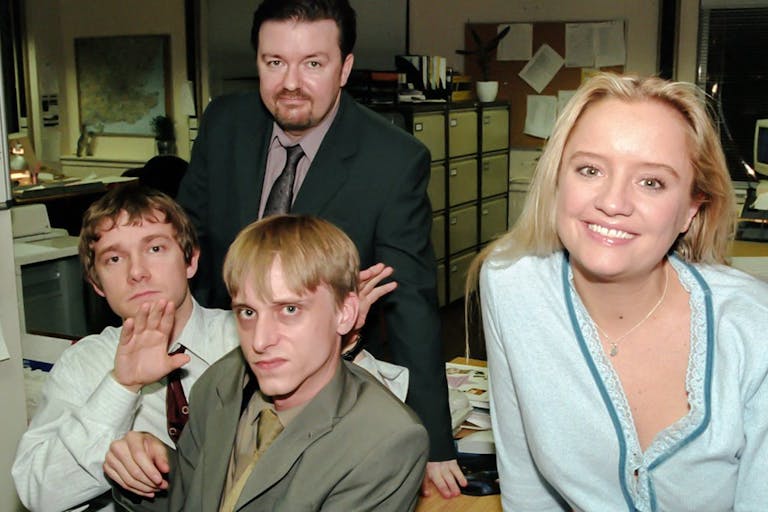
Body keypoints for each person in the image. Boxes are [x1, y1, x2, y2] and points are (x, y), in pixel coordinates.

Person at [177, 0, 462, 495]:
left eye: (313, 63)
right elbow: (188, 243)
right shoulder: (224, 123)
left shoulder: (392, 160)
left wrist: (434, 439)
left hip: (327, 392)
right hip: (219, 371)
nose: (291, 82)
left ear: (344, 67)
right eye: (274, 63)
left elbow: (411, 299)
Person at [469, 72, 768, 511]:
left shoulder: (752, 326)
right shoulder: (511, 285)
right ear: (557, 180)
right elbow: (525, 482)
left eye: (651, 182)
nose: (612, 202)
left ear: (690, 207)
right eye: (590, 170)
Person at [11, 185, 398, 512]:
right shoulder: (83, 365)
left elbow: (388, 422)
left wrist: (335, 340)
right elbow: (39, 494)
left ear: (191, 260)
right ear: (97, 285)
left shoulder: (250, 333)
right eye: (114, 258)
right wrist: (120, 388)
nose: (137, 271)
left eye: (156, 249)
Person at [108, 215, 429, 511]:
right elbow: (192, 498)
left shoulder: (385, 441)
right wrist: (151, 470)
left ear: (345, 313)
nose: (260, 341)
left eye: (289, 310)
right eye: (248, 312)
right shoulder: (222, 380)